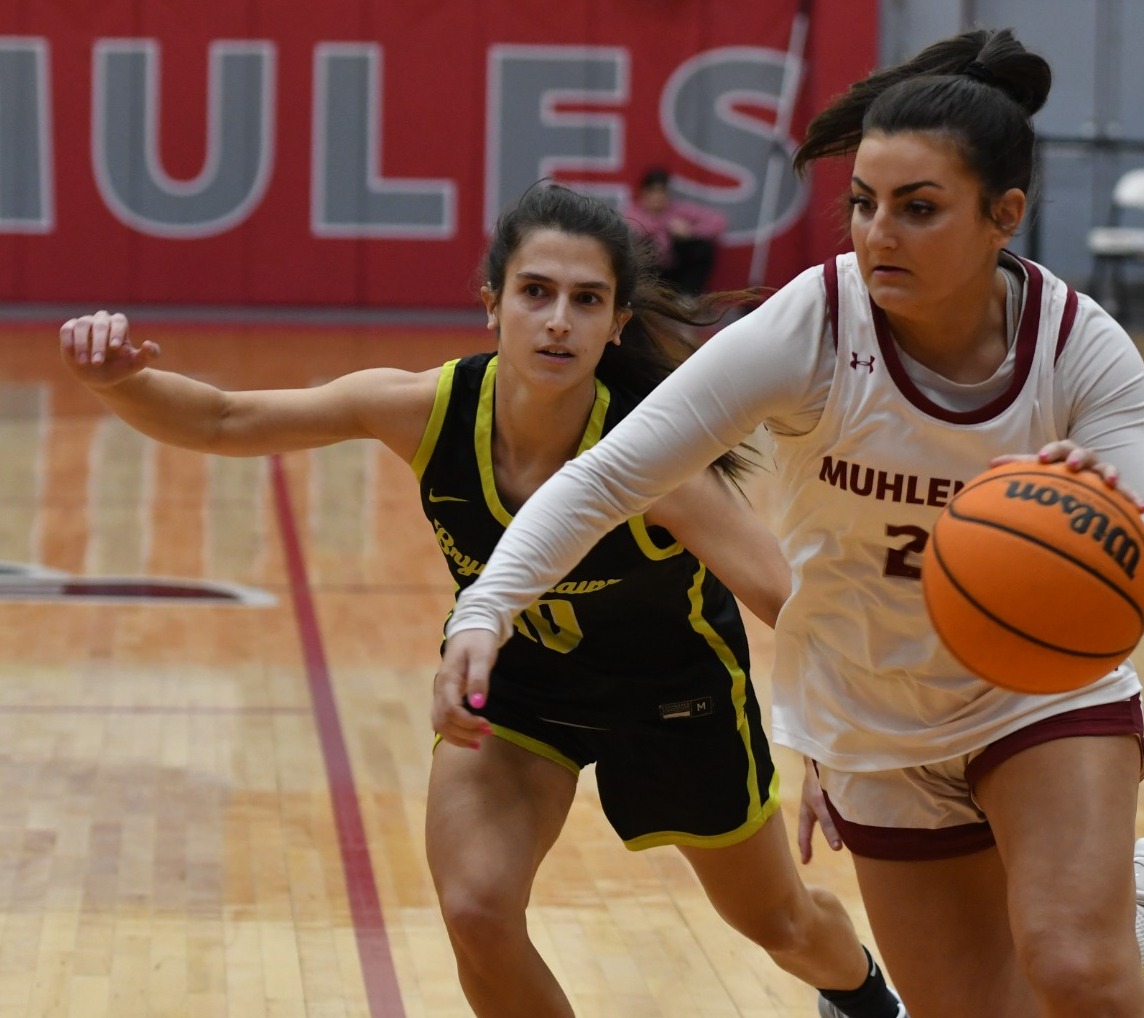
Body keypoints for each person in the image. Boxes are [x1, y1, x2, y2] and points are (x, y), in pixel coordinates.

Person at [434, 29, 1144, 1018]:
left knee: (1078, 972)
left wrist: (1108, 526)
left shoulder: (1081, 349)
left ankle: (1117, 938)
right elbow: (611, 471)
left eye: (918, 209)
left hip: (1039, 693)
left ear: (1005, 216)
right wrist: (487, 607)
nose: (878, 235)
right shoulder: (813, 324)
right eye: (863, 204)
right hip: (875, 712)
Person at [56, 184, 908, 1018]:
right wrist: (116, 381)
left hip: (674, 698)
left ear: (616, 325)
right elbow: (224, 419)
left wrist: (834, 740)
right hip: (517, 692)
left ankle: (861, 996)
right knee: (475, 912)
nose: (558, 320)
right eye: (535, 293)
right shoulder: (427, 409)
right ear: (491, 306)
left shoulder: (656, 456)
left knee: (777, 922)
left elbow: (783, 599)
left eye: (586, 300)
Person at [623, 166, 730, 295]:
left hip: (677, 271)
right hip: (652, 271)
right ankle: (646, 297)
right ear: (644, 193)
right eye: (653, 191)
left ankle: (688, 298)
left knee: (702, 247)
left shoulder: (677, 210)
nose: (658, 197)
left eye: (662, 191)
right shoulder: (633, 212)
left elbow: (719, 221)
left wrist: (690, 231)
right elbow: (633, 231)